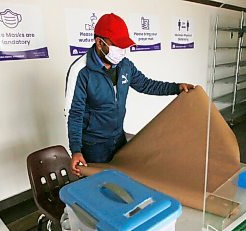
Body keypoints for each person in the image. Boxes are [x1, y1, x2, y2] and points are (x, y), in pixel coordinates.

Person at [65, 13, 195, 176]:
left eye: (124, 46)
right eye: (118, 45)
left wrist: (176, 88)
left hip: (118, 138)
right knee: (99, 188)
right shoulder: (81, 71)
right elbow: (74, 114)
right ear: (99, 42)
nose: (122, 51)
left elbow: (146, 85)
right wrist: (76, 150)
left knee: (121, 183)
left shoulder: (125, 65)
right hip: (94, 145)